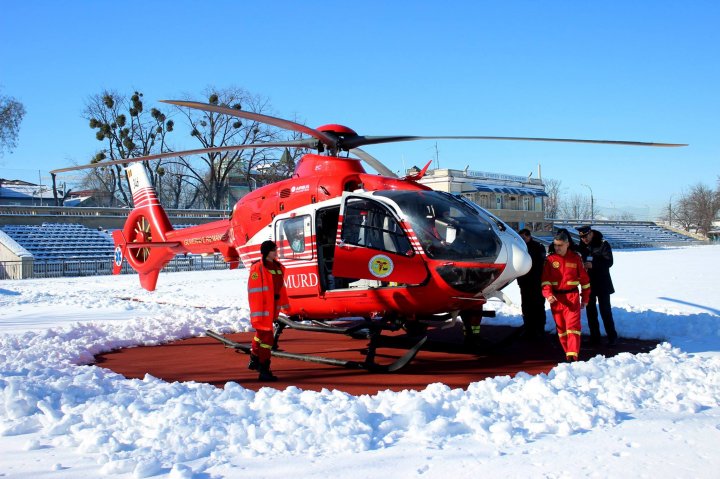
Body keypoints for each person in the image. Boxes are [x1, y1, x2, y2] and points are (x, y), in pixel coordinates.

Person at [541, 229, 591, 362]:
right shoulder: (550, 260)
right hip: (556, 300)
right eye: (555, 245)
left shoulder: (575, 258)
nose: (557, 248)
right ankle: (567, 352)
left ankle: (572, 357)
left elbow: (585, 281)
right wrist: (548, 294)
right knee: (562, 329)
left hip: (572, 298)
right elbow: (545, 281)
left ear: (567, 244)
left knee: (573, 328)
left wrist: (585, 298)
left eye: (560, 245)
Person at [247, 240, 290, 381]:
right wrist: (258, 313)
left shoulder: (277, 267)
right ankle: (264, 370)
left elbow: (280, 289)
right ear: (266, 252)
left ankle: (254, 358)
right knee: (267, 339)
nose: (276, 251)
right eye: (273, 250)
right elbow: (254, 292)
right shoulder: (258, 268)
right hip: (262, 310)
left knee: (260, 335)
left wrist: (286, 306)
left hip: (272, 309)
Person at [576, 225, 618, 346]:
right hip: (588, 284)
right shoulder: (582, 246)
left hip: (603, 283)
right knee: (591, 312)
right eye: (582, 237)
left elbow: (609, 262)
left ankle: (612, 336)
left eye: (585, 236)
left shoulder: (603, 244)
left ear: (591, 233)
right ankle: (595, 337)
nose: (584, 239)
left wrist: (593, 264)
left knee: (606, 312)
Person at [517, 229, 547, 338]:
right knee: (526, 306)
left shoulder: (538, 247)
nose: (523, 240)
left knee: (538, 306)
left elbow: (541, 264)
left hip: (537, 282)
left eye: (524, 238)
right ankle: (528, 328)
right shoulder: (519, 248)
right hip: (524, 282)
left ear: (529, 236)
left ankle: (539, 329)